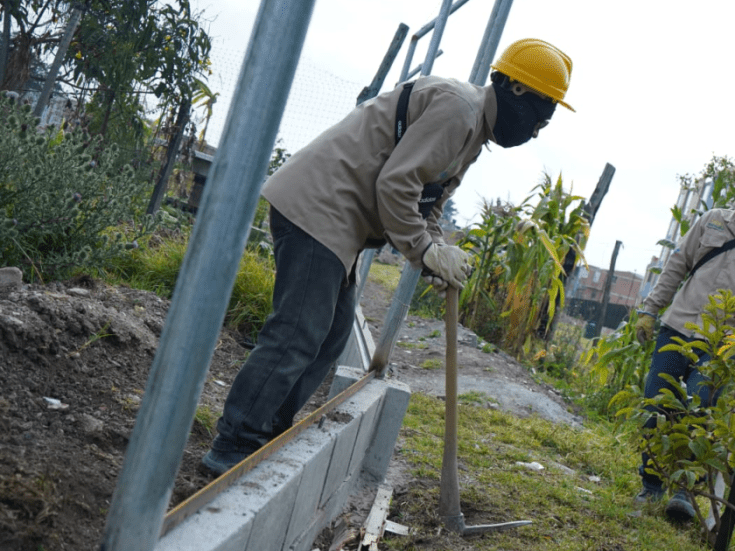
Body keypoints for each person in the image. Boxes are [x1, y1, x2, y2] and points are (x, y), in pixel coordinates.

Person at [201, 38, 575, 476]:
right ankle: (235, 445)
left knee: (332, 335)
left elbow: (424, 203)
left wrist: (438, 251)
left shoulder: (474, 131)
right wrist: (423, 250)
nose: (534, 131)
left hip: (338, 221)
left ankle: (268, 431)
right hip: (320, 206)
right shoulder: (458, 111)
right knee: (299, 331)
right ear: (515, 91)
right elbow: (395, 185)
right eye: (539, 116)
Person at [632, 151, 735, 521]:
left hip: (722, 350)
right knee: (655, 404)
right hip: (677, 330)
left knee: (697, 409)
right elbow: (676, 265)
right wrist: (649, 310)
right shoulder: (711, 222)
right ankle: (651, 485)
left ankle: (682, 492)